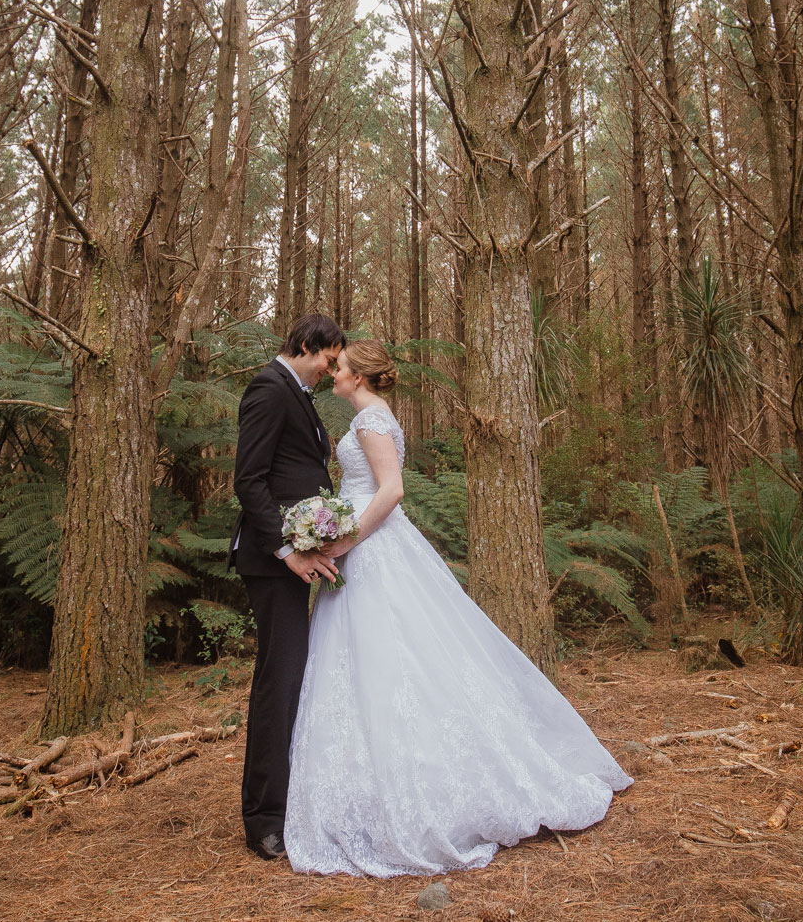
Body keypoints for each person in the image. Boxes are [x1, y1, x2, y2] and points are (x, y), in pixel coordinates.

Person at [284, 339, 632, 876]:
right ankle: (368, 785)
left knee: (392, 660)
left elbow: (391, 490)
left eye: (341, 368)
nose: (334, 373)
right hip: (364, 544)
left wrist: (344, 539)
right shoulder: (369, 419)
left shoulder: (373, 422)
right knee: (368, 665)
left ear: (360, 377)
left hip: (372, 545)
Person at [229, 313, 346, 861]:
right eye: (328, 356)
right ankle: (263, 819)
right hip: (273, 561)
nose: (332, 366)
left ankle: (289, 798)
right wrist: (287, 548)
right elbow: (248, 480)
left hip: (298, 557)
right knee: (279, 682)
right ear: (305, 344)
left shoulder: (298, 394)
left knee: (296, 678)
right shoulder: (269, 388)